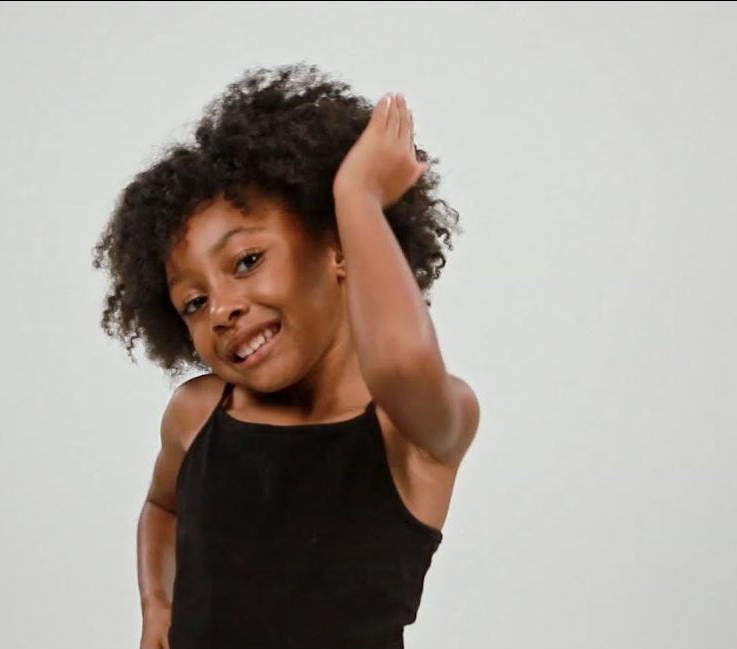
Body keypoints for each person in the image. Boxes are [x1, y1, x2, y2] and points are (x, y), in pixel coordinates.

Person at [92, 62, 481, 649]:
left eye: (247, 261)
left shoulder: (409, 432)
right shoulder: (196, 416)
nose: (221, 309)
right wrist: (158, 606)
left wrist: (357, 198)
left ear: (339, 248)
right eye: (194, 301)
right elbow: (161, 507)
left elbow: (400, 362)